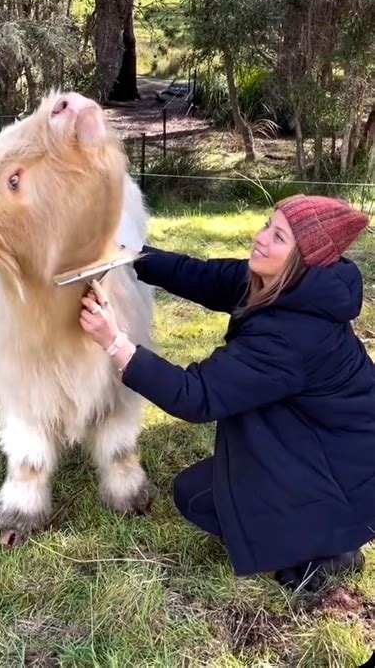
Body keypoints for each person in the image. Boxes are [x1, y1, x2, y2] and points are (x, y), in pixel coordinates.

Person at [79, 195, 374, 592]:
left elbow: (195, 395)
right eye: (268, 224)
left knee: (202, 501)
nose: (261, 238)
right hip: (320, 442)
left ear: (304, 259)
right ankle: (314, 523)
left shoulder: (291, 335)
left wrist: (116, 342)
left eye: (279, 237)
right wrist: (131, 256)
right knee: (200, 493)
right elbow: (201, 275)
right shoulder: (281, 285)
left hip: (346, 472)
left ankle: (335, 546)